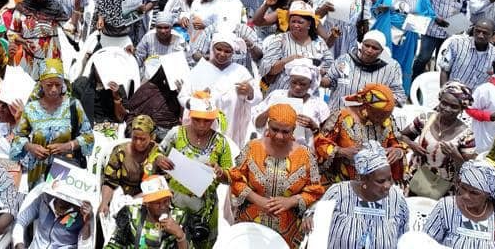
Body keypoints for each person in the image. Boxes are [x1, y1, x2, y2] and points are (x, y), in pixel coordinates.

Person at [145, 92, 233, 249]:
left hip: (204, 211)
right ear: (190, 116)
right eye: (197, 119)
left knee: (201, 243)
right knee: (170, 241)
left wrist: (220, 172)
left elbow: (231, 176)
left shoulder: (221, 143)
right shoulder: (176, 134)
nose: (201, 125)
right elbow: (155, 153)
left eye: (207, 121)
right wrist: (159, 159)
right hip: (173, 204)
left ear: (213, 119)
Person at [229, 103, 325, 247]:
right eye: (274, 129)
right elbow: (235, 180)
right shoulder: (252, 148)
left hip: (287, 232)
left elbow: (315, 191)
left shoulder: (305, 156)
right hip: (249, 227)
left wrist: (291, 201)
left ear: (294, 129)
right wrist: (258, 199)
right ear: (268, 125)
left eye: (285, 132)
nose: (279, 136)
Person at [307, 141, 410, 249]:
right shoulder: (339, 193)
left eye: (389, 179)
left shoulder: (396, 199)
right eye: (380, 181)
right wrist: (310, 217)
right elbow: (315, 216)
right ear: (363, 179)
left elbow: (403, 237)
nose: (387, 185)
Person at [10, 59, 93, 188]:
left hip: (65, 172)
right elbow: (18, 138)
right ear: (41, 84)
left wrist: (68, 146)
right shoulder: (31, 108)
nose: (54, 89)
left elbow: (89, 137)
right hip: (37, 175)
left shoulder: (73, 105)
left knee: (59, 199)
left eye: (57, 85)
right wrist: (30, 147)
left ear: (63, 84)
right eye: (49, 85)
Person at [315, 83, 406, 183]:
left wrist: (398, 151)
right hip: (344, 182)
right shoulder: (341, 117)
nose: (383, 120)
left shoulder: (387, 120)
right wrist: (341, 151)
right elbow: (320, 144)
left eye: (387, 116)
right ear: (366, 107)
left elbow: (398, 143)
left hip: (378, 183)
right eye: (379, 116)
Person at [400, 82, 478, 199]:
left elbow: (469, 170)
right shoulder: (425, 119)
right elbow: (401, 136)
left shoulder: (466, 135)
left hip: (444, 189)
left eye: (454, 106)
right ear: (439, 101)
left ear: (462, 108)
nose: (447, 109)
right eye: (444, 103)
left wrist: (455, 156)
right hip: (414, 178)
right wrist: (412, 145)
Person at [423, 159, 495, 249]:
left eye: (474, 193)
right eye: (463, 188)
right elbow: (426, 242)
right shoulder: (446, 206)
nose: (465, 196)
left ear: (488, 194)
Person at [183, 33, 260, 147]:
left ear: (233, 52)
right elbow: (184, 98)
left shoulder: (240, 72)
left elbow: (257, 98)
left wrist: (250, 92)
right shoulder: (199, 71)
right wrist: (197, 99)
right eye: (219, 49)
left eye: (227, 51)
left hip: (231, 128)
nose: (222, 54)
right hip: (202, 127)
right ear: (212, 48)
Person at [371, 0, 435, 94]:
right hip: (386, 32)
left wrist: (436, 19)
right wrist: (381, 9)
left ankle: (396, 95)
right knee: (381, 62)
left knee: (401, 65)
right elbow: (374, 11)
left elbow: (429, 14)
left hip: (407, 37)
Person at [323, 31, 406, 109]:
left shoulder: (391, 68)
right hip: (338, 112)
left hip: (368, 117)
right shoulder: (345, 59)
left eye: (375, 48)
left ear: (381, 51)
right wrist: (318, 76)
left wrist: (374, 99)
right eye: (367, 45)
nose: (369, 50)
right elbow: (329, 80)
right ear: (361, 45)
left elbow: (400, 97)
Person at [260, 2, 332, 92]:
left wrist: (317, 70)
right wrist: (289, 60)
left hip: (309, 95)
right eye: (293, 21)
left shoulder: (319, 42)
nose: (295, 25)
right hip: (282, 92)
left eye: (300, 22)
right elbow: (267, 69)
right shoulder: (280, 40)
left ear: (309, 24)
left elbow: (329, 65)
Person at [105, 176, 192, 249]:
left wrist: (180, 235)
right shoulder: (131, 214)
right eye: (157, 203)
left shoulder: (180, 217)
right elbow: (115, 244)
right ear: (146, 203)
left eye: (166, 201)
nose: (163, 206)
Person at [9, 0, 67, 79]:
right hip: (29, 61)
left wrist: (77, 9)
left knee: (50, 86)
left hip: (51, 59)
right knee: (29, 86)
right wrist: (24, 42)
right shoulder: (22, 8)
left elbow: (70, 31)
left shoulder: (55, 8)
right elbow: (12, 34)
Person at [100, 115, 160, 214]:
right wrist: (104, 203)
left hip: (149, 199)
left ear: (151, 137)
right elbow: (109, 182)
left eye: (143, 139)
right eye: (135, 138)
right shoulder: (120, 152)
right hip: (122, 199)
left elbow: (163, 184)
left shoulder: (157, 153)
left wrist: (136, 200)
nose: (138, 143)